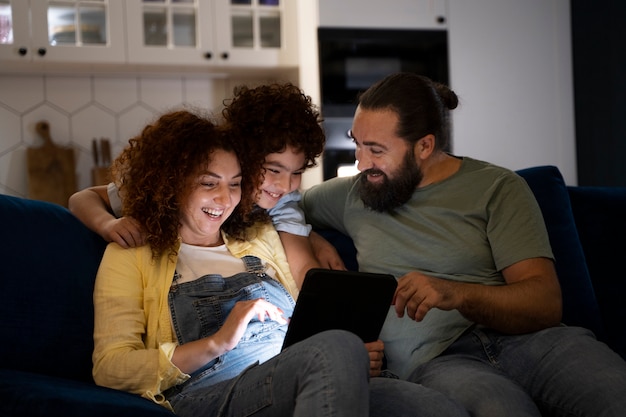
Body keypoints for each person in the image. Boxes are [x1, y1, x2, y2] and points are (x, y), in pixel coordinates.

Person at [92, 109, 469, 416]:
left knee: (432, 406)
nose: (225, 198)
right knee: (333, 349)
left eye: (236, 183)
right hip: (207, 394)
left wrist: (351, 355)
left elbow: (307, 319)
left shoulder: (260, 233)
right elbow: (109, 367)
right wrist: (217, 342)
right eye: (209, 183)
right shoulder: (133, 253)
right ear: (170, 184)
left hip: (293, 376)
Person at [300, 72, 626, 416]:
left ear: (424, 146)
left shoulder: (497, 188)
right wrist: (309, 235)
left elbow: (545, 303)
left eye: (376, 150)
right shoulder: (353, 195)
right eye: (358, 144)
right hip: (441, 360)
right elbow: (273, 202)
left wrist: (455, 293)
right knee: (503, 410)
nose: (362, 163)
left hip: (532, 343)